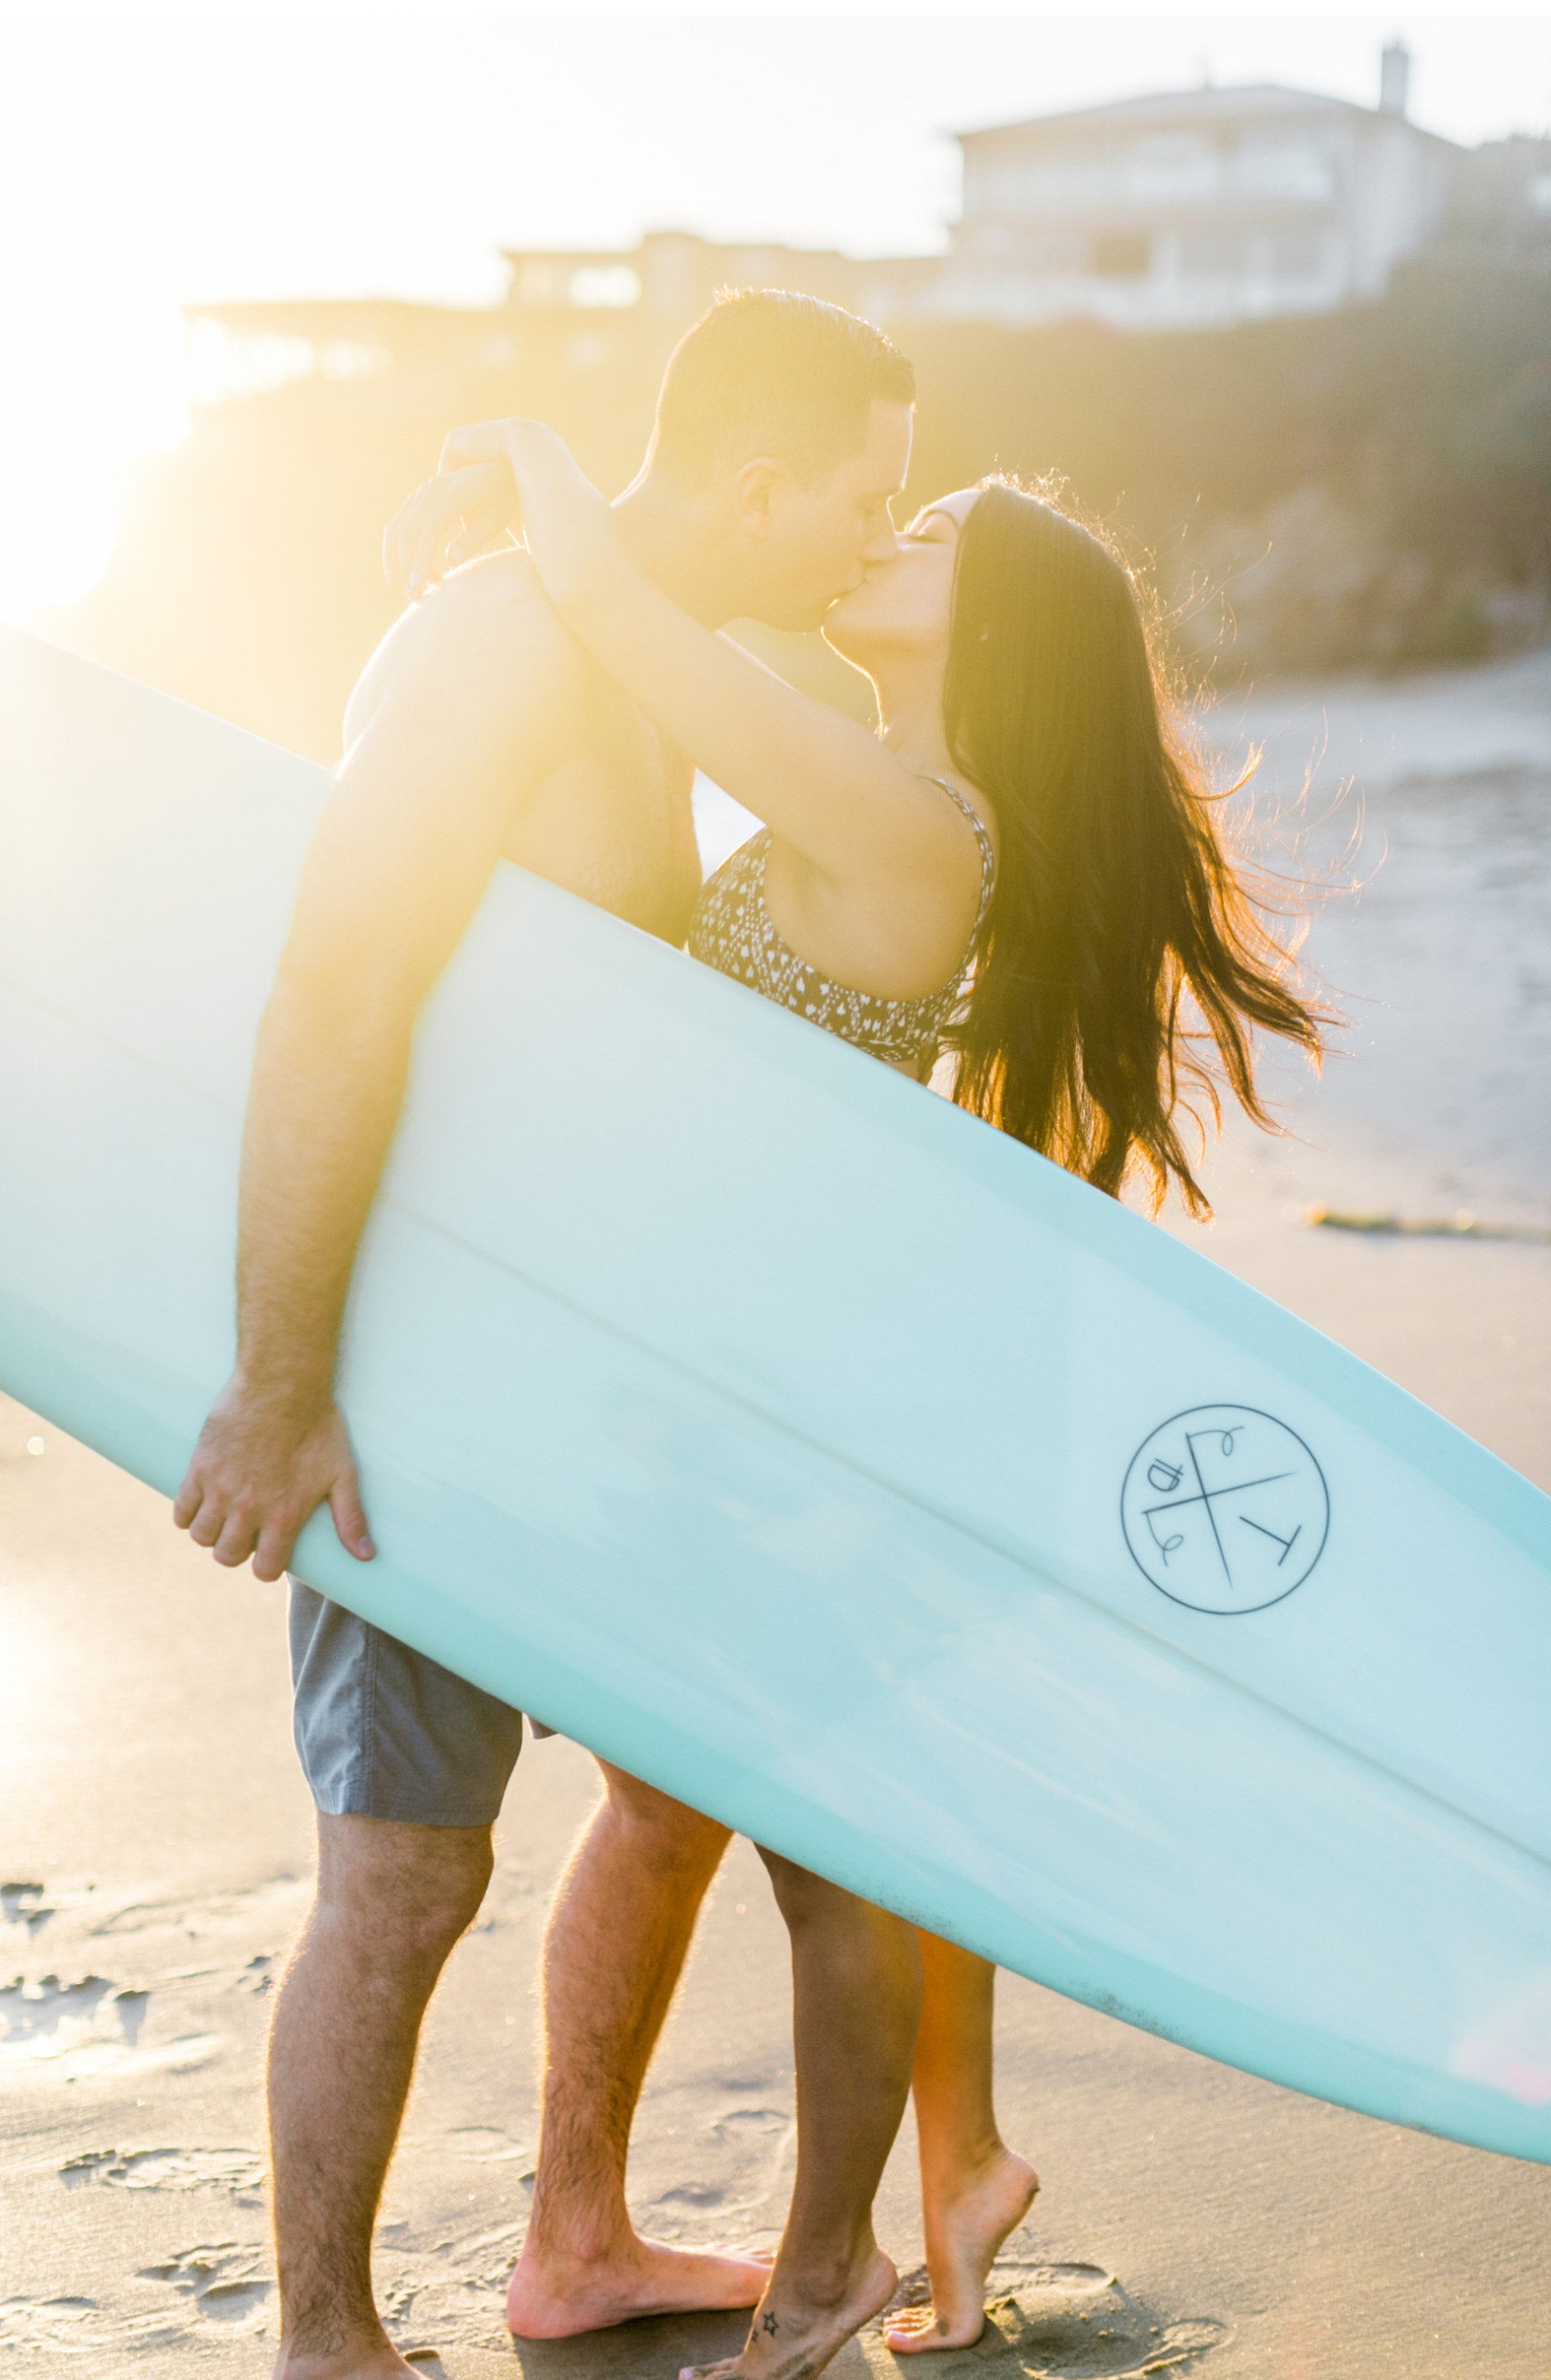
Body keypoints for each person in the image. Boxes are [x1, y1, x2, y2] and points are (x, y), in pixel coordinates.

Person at [386, 416, 1329, 2380]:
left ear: (983, 625)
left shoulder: (919, 819)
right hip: (750, 1363)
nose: (879, 532)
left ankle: (825, 2269)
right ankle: (912, 2174)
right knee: (742, 1803)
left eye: (928, 530)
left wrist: (544, 467)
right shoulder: (909, 790)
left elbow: (639, 635)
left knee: (841, 1836)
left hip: (770, 1397)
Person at [170, 291, 930, 2380]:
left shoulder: (624, 645)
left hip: (593, 1389)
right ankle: (327, 2339)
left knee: (676, 1803)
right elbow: (334, 982)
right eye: (854, 499)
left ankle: (574, 2233)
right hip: (417, 1382)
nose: (871, 540)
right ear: (757, 483)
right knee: (405, 1874)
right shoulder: (502, 647)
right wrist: (280, 1376)